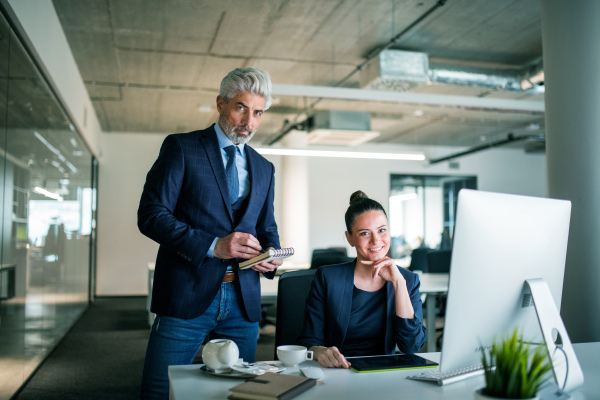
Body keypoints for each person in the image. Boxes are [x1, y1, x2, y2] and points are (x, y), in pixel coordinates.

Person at [138, 68, 283, 399]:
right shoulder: (182, 147)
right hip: (185, 292)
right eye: (240, 108)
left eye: (258, 112)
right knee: (160, 391)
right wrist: (212, 246)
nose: (248, 121)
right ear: (221, 103)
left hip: (242, 301)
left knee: (237, 394)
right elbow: (151, 215)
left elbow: (267, 228)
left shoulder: (264, 167)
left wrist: (270, 256)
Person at [298, 191, 426, 368]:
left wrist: (399, 283)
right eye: (365, 233)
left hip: (383, 372)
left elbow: (412, 346)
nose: (376, 240)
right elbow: (308, 342)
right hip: (337, 371)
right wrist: (321, 352)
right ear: (349, 237)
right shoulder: (328, 278)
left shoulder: (408, 280)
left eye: (382, 230)